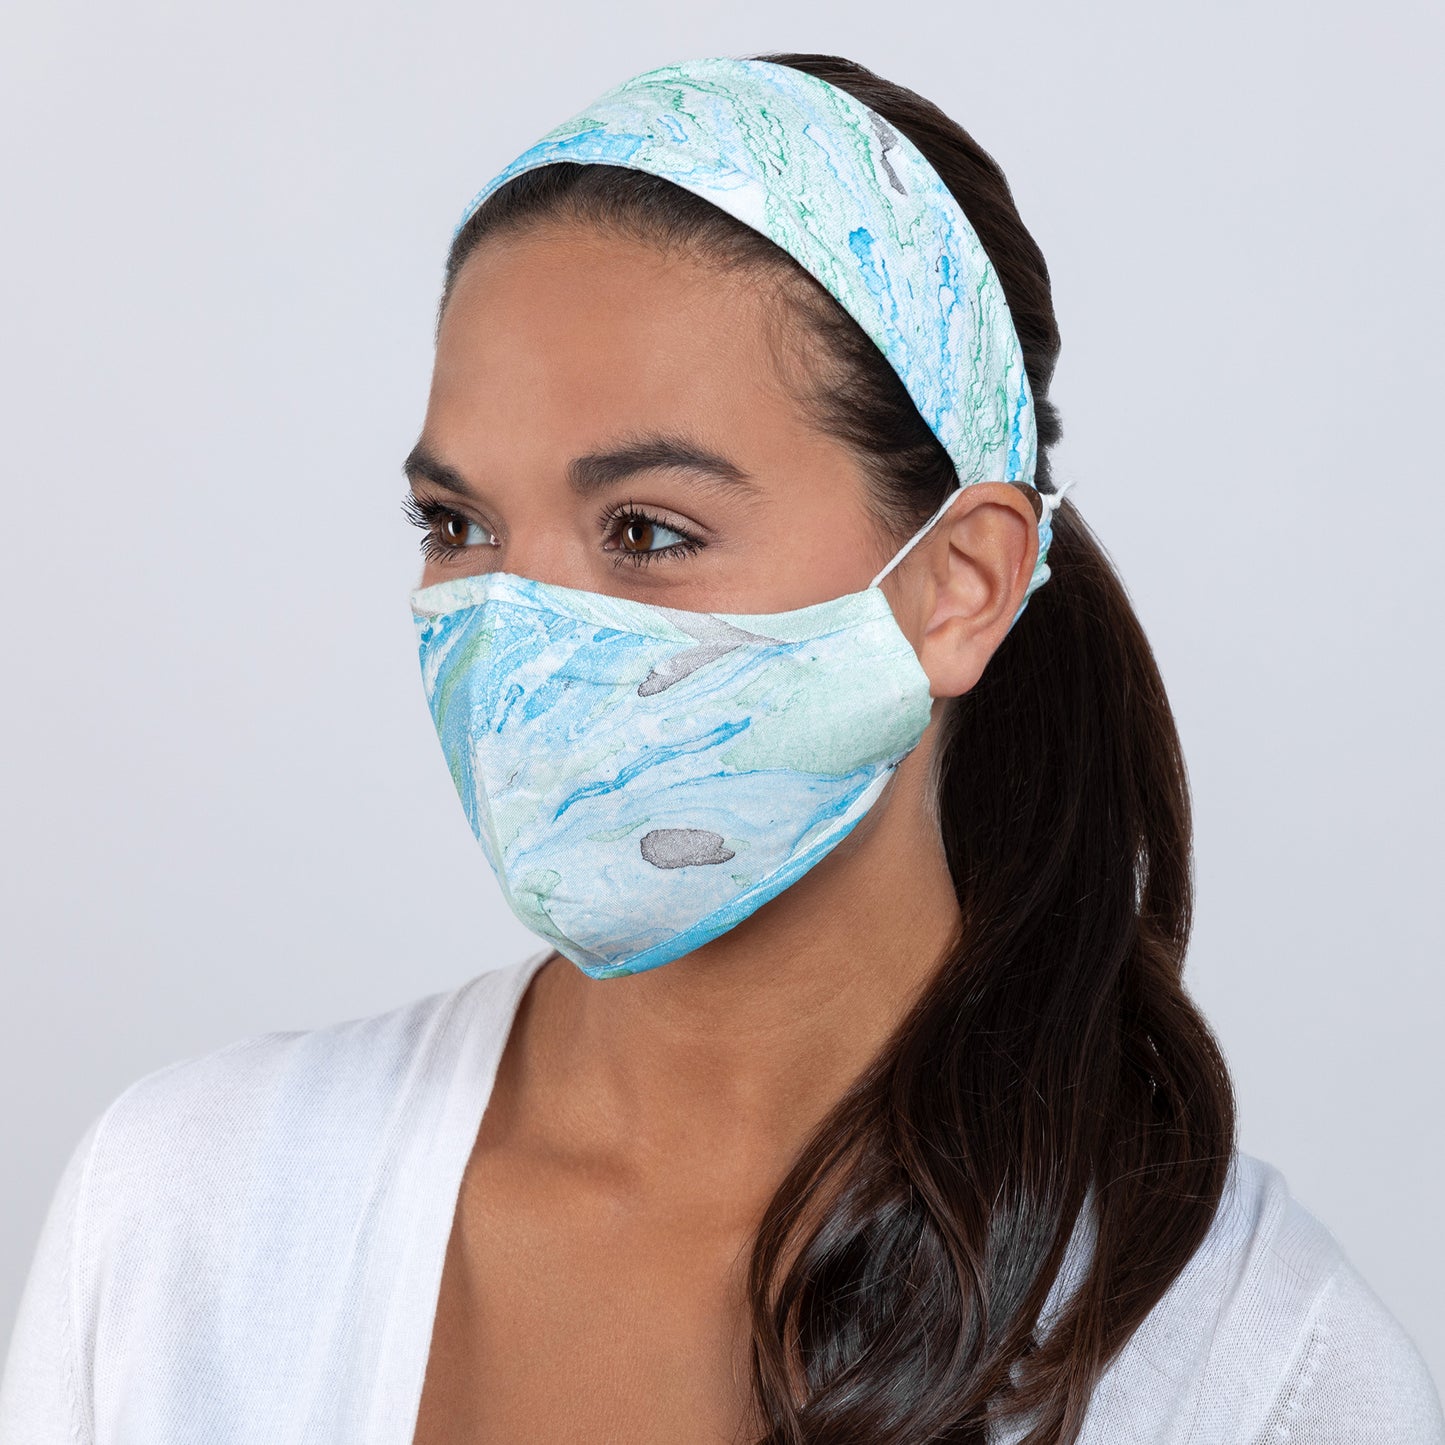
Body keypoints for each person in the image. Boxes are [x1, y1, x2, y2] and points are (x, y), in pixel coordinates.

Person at [2, 50, 1441, 1445]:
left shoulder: (1254, 1369)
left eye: (646, 531)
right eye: (457, 524)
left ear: (961, 586)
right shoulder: (186, 1216)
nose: (516, 637)